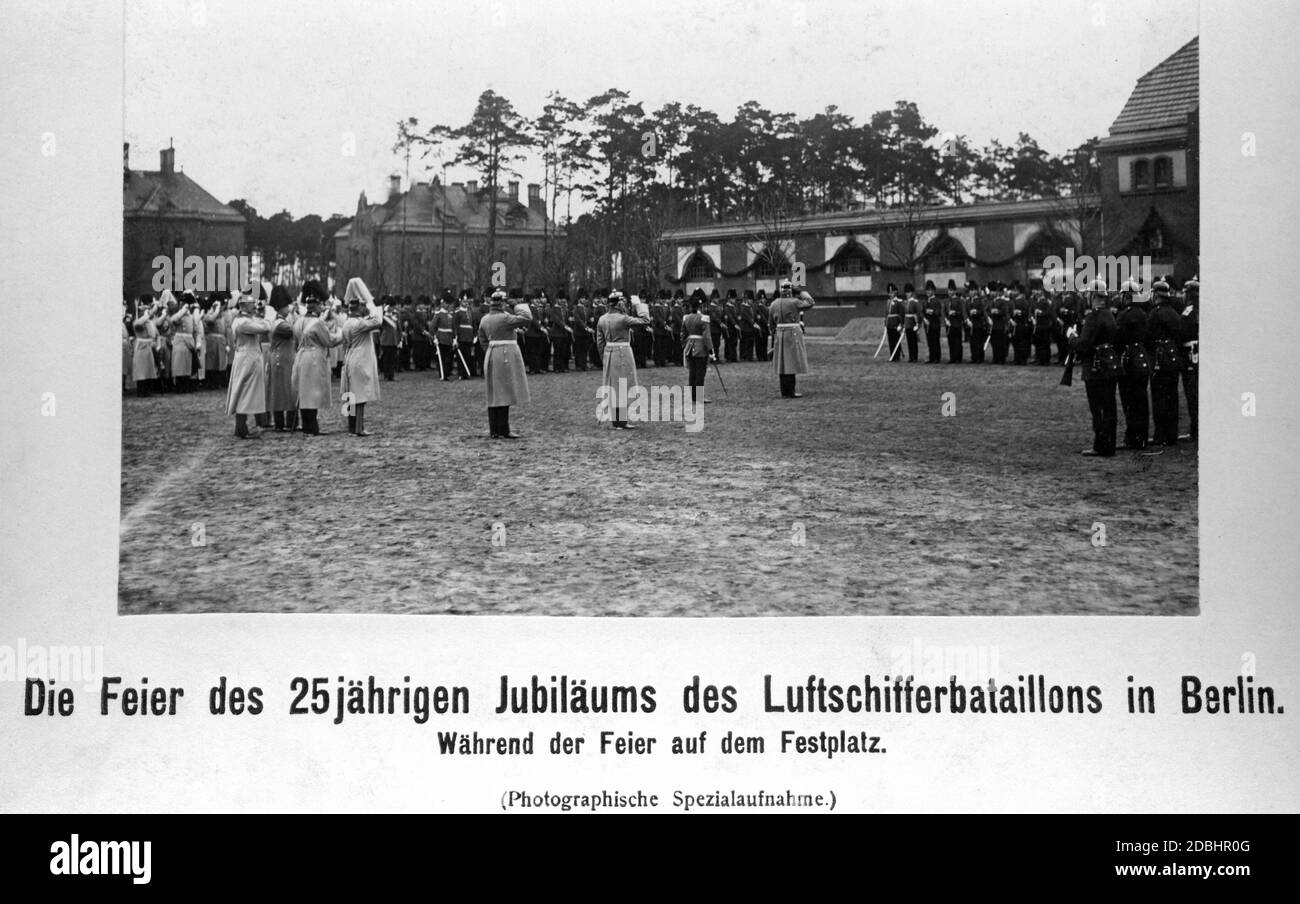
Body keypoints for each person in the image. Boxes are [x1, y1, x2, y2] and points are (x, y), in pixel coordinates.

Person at [1068, 279, 1120, 457]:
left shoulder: (1093, 317)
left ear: (1092, 296)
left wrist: (1071, 337)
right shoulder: (1109, 315)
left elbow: (1083, 345)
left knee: (1097, 408)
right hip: (1110, 365)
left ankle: (1100, 445)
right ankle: (1110, 444)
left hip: (1096, 367)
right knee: (1109, 406)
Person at [477, 288, 532, 439]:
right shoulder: (504, 318)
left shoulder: (485, 318)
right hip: (505, 356)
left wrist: (490, 350)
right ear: (502, 304)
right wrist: (516, 305)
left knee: (494, 393)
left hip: (492, 353)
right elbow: (527, 317)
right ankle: (503, 429)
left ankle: (494, 429)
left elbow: (482, 338)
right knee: (504, 393)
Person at [291, 280, 342, 436]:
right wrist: (342, 333)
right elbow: (330, 341)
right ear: (318, 305)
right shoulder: (317, 323)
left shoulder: (298, 321)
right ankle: (312, 427)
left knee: (303, 393)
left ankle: (306, 425)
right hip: (314, 358)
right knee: (312, 393)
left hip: (301, 357)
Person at [596, 290, 650, 428]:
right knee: (623, 386)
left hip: (609, 353)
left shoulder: (602, 319)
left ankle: (618, 421)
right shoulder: (623, 318)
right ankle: (620, 421)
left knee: (613, 387)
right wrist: (639, 306)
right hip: (623, 352)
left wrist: (604, 357)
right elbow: (645, 321)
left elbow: (600, 342)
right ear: (619, 303)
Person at [225, 292, 272, 439]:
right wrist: (263, 319)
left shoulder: (243, 319)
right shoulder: (243, 322)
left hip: (246, 357)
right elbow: (265, 327)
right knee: (245, 392)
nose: (254, 306)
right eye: (251, 303)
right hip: (248, 358)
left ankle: (242, 426)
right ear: (244, 305)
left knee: (244, 391)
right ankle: (241, 427)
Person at [339, 277, 383, 436]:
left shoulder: (346, 323)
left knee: (349, 394)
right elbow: (378, 321)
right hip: (360, 360)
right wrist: (371, 304)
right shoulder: (360, 323)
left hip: (349, 358)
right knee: (360, 395)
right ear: (359, 308)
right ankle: (359, 428)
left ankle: (350, 426)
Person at [1115, 279, 1154, 453]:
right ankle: (1142, 437)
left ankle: (1133, 437)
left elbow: (1118, 339)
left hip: (1129, 360)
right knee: (1142, 400)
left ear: (1126, 296)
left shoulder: (1124, 315)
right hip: (1143, 359)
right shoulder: (1145, 314)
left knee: (1129, 401)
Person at [1146, 277, 1184, 447]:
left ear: (1155, 295)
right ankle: (1172, 434)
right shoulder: (1175, 313)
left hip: (1160, 360)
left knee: (1159, 398)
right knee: (1172, 397)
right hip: (1174, 358)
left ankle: (1161, 434)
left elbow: (1148, 337)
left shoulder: (1155, 313)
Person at [769, 280, 815, 398]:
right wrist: (800, 292)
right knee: (791, 363)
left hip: (779, 334)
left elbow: (771, 324)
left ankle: (784, 391)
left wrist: (775, 334)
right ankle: (790, 391)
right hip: (792, 334)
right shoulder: (795, 302)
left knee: (782, 364)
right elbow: (810, 302)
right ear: (790, 290)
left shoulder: (774, 303)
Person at [266, 286, 298, 431]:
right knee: (280, 392)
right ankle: (282, 423)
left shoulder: (281, 321)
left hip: (285, 359)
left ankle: (287, 422)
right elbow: (296, 330)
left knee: (287, 390)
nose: (288, 308)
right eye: (286, 306)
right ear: (281, 307)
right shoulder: (281, 324)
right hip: (281, 359)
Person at [681, 293, 714, 407]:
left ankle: (693, 396)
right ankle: (699, 397)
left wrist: (685, 345)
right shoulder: (704, 318)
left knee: (692, 372)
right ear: (700, 306)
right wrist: (710, 350)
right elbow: (707, 336)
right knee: (700, 373)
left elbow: (683, 334)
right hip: (700, 348)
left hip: (690, 347)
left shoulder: (686, 318)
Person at [131, 295, 165, 396]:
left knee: (148, 370)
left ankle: (147, 390)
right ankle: (141, 391)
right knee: (141, 370)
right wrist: (147, 314)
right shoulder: (140, 317)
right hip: (141, 345)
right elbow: (137, 325)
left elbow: (154, 332)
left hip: (149, 345)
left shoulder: (148, 320)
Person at [1180, 276, 1199, 441]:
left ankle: (1196, 429)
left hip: (1191, 356)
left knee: (1192, 393)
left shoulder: (1188, 311)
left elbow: (1182, 333)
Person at [202, 296, 228, 388]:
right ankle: (211, 383)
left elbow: (225, 331)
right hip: (212, 341)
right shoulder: (210, 314)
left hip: (220, 341)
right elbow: (210, 319)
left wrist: (227, 343)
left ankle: (218, 382)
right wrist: (215, 310)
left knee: (219, 362)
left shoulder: (222, 317)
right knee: (211, 363)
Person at [966, 283, 989, 364]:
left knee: (979, 342)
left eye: (973, 290)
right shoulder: (968, 301)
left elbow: (983, 311)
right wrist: (967, 320)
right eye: (970, 291)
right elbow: (965, 312)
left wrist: (976, 312)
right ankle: (974, 357)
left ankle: (980, 357)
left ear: (976, 291)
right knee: (972, 342)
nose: (971, 292)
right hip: (971, 324)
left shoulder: (979, 300)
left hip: (978, 324)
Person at [378, 297, 401, 381]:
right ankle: (386, 375)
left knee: (393, 358)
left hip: (394, 339)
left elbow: (398, 327)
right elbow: (379, 322)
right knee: (386, 358)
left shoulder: (396, 314)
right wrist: (383, 311)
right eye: (391, 306)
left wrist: (400, 338)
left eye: (392, 306)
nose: (392, 308)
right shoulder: (383, 314)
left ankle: (391, 375)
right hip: (386, 339)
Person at [988, 286, 1011, 365]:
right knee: (994, 343)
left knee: (1001, 343)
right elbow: (987, 311)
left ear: (997, 292)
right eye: (991, 291)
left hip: (1000, 325)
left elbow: (1005, 311)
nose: (992, 293)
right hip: (993, 326)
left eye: (993, 291)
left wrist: (997, 311)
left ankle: (1002, 358)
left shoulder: (1002, 301)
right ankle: (995, 358)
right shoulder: (991, 302)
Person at [923, 283, 944, 363]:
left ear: (934, 291)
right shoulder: (925, 301)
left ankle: (937, 357)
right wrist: (924, 318)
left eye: (930, 290)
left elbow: (938, 312)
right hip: (927, 324)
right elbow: (922, 311)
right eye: (927, 290)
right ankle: (931, 357)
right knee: (930, 341)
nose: (928, 292)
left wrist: (932, 311)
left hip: (935, 324)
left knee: (935, 341)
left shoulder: (936, 301)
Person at [945, 285, 966, 364]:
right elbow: (944, 312)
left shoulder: (959, 300)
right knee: (951, 342)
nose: (950, 292)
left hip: (957, 323)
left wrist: (955, 313)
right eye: (949, 290)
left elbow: (961, 311)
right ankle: (952, 357)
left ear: (954, 291)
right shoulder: (947, 301)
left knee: (958, 342)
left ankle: (958, 358)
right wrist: (946, 320)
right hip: (949, 324)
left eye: (951, 290)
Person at [884, 283, 905, 362]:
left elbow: (901, 314)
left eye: (892, 292)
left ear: (895, 292)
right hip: (889, 323)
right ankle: (892, 355)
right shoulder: (888, 302)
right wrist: (885, 323)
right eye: (889, 293)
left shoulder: (899, 301)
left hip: (896, 323)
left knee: (896, 340)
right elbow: (886, 314)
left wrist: (901, 324)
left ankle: (897, 356)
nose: (891, 294)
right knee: (891, 340)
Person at [904, 284, 924, 362]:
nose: (907, 294)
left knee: (913, 341)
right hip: (907, 323)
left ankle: (914, 357)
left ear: (911, 292)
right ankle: (911, 357)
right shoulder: (906, 302)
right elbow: (904, 314)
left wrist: (918, 324)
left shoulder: (915, 302)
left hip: (913, 323)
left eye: (908, 292)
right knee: (909, 341)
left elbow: (919, 313)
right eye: (906, 292)